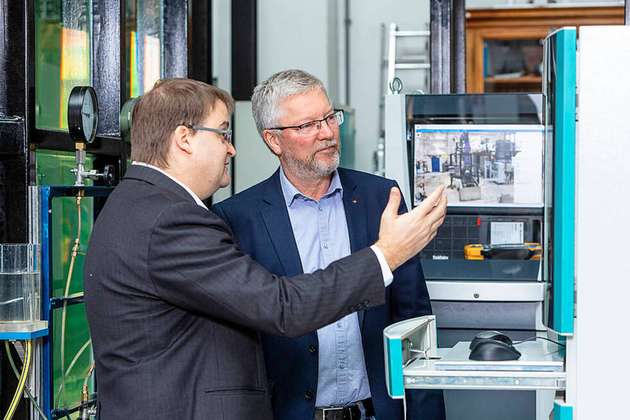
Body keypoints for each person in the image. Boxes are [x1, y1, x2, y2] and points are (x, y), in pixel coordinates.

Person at [83, 78, 447, 420]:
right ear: (185, 139)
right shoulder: (173, 218)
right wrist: (386, 254)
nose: (232, 147)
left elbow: (412, 324)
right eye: (223, 133)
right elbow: (281, 306)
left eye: (328, 118)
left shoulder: (137, 204)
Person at [213, 70, 445, 420]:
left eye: (329, 117)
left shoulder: (382, 198)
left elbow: (414, 322)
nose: (326, 132)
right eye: (307, 125)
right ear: (273, 140)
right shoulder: (237, 219)